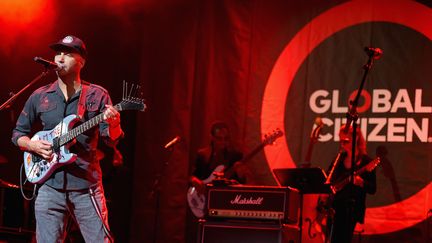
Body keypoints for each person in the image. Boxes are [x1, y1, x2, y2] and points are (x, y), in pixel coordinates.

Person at [11, 35, 123, 242]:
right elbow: (18, 134)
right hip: (49, 186)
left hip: (85, 186)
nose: (60, 58)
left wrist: (114, 124)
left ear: (81, 62)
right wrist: (32, 145)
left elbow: (111, 140)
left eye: (68, 54)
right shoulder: (40, 95)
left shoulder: (97, 95)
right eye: (58, 53)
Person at [325, 125, 376, 243]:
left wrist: (361, 182)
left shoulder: (366, 162)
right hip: (334, 207)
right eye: (340, 141)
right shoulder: (339, 158)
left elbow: (373, 189)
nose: (342, 144)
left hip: (352, 209)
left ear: (356, 138)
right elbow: (329, 178)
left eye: (345, 141)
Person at [189, 121, 255, 195]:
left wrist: (241, 175)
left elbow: (241, 184)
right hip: (204, 197)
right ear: (212, 137)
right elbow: (193, 176)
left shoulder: (235, 156)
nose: (223, 142)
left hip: (227, 196)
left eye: (225, 138)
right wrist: (194, 180)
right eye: (219, 139)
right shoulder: (203, 154)